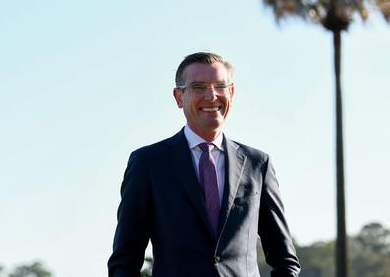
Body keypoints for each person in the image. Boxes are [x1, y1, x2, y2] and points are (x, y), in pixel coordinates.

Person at [108, 52, 300, 277]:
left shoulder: (258, 164)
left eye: (220, 86)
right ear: (179, 97)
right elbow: (124, 262)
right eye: (198, 87)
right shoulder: (148, 164)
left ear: (232, 93)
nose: (211, 95)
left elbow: (285, 260)